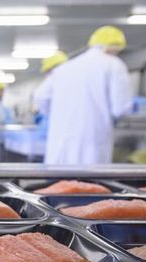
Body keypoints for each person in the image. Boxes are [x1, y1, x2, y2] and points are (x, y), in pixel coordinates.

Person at [35, 26, 133, 164]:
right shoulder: (114, 64)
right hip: (92, 145)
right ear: (115, 47)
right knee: (89, 183)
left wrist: (55, 115)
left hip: (59, 148)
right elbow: (120, 108)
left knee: (58, 183)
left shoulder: (65, 67)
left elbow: (40, 96)